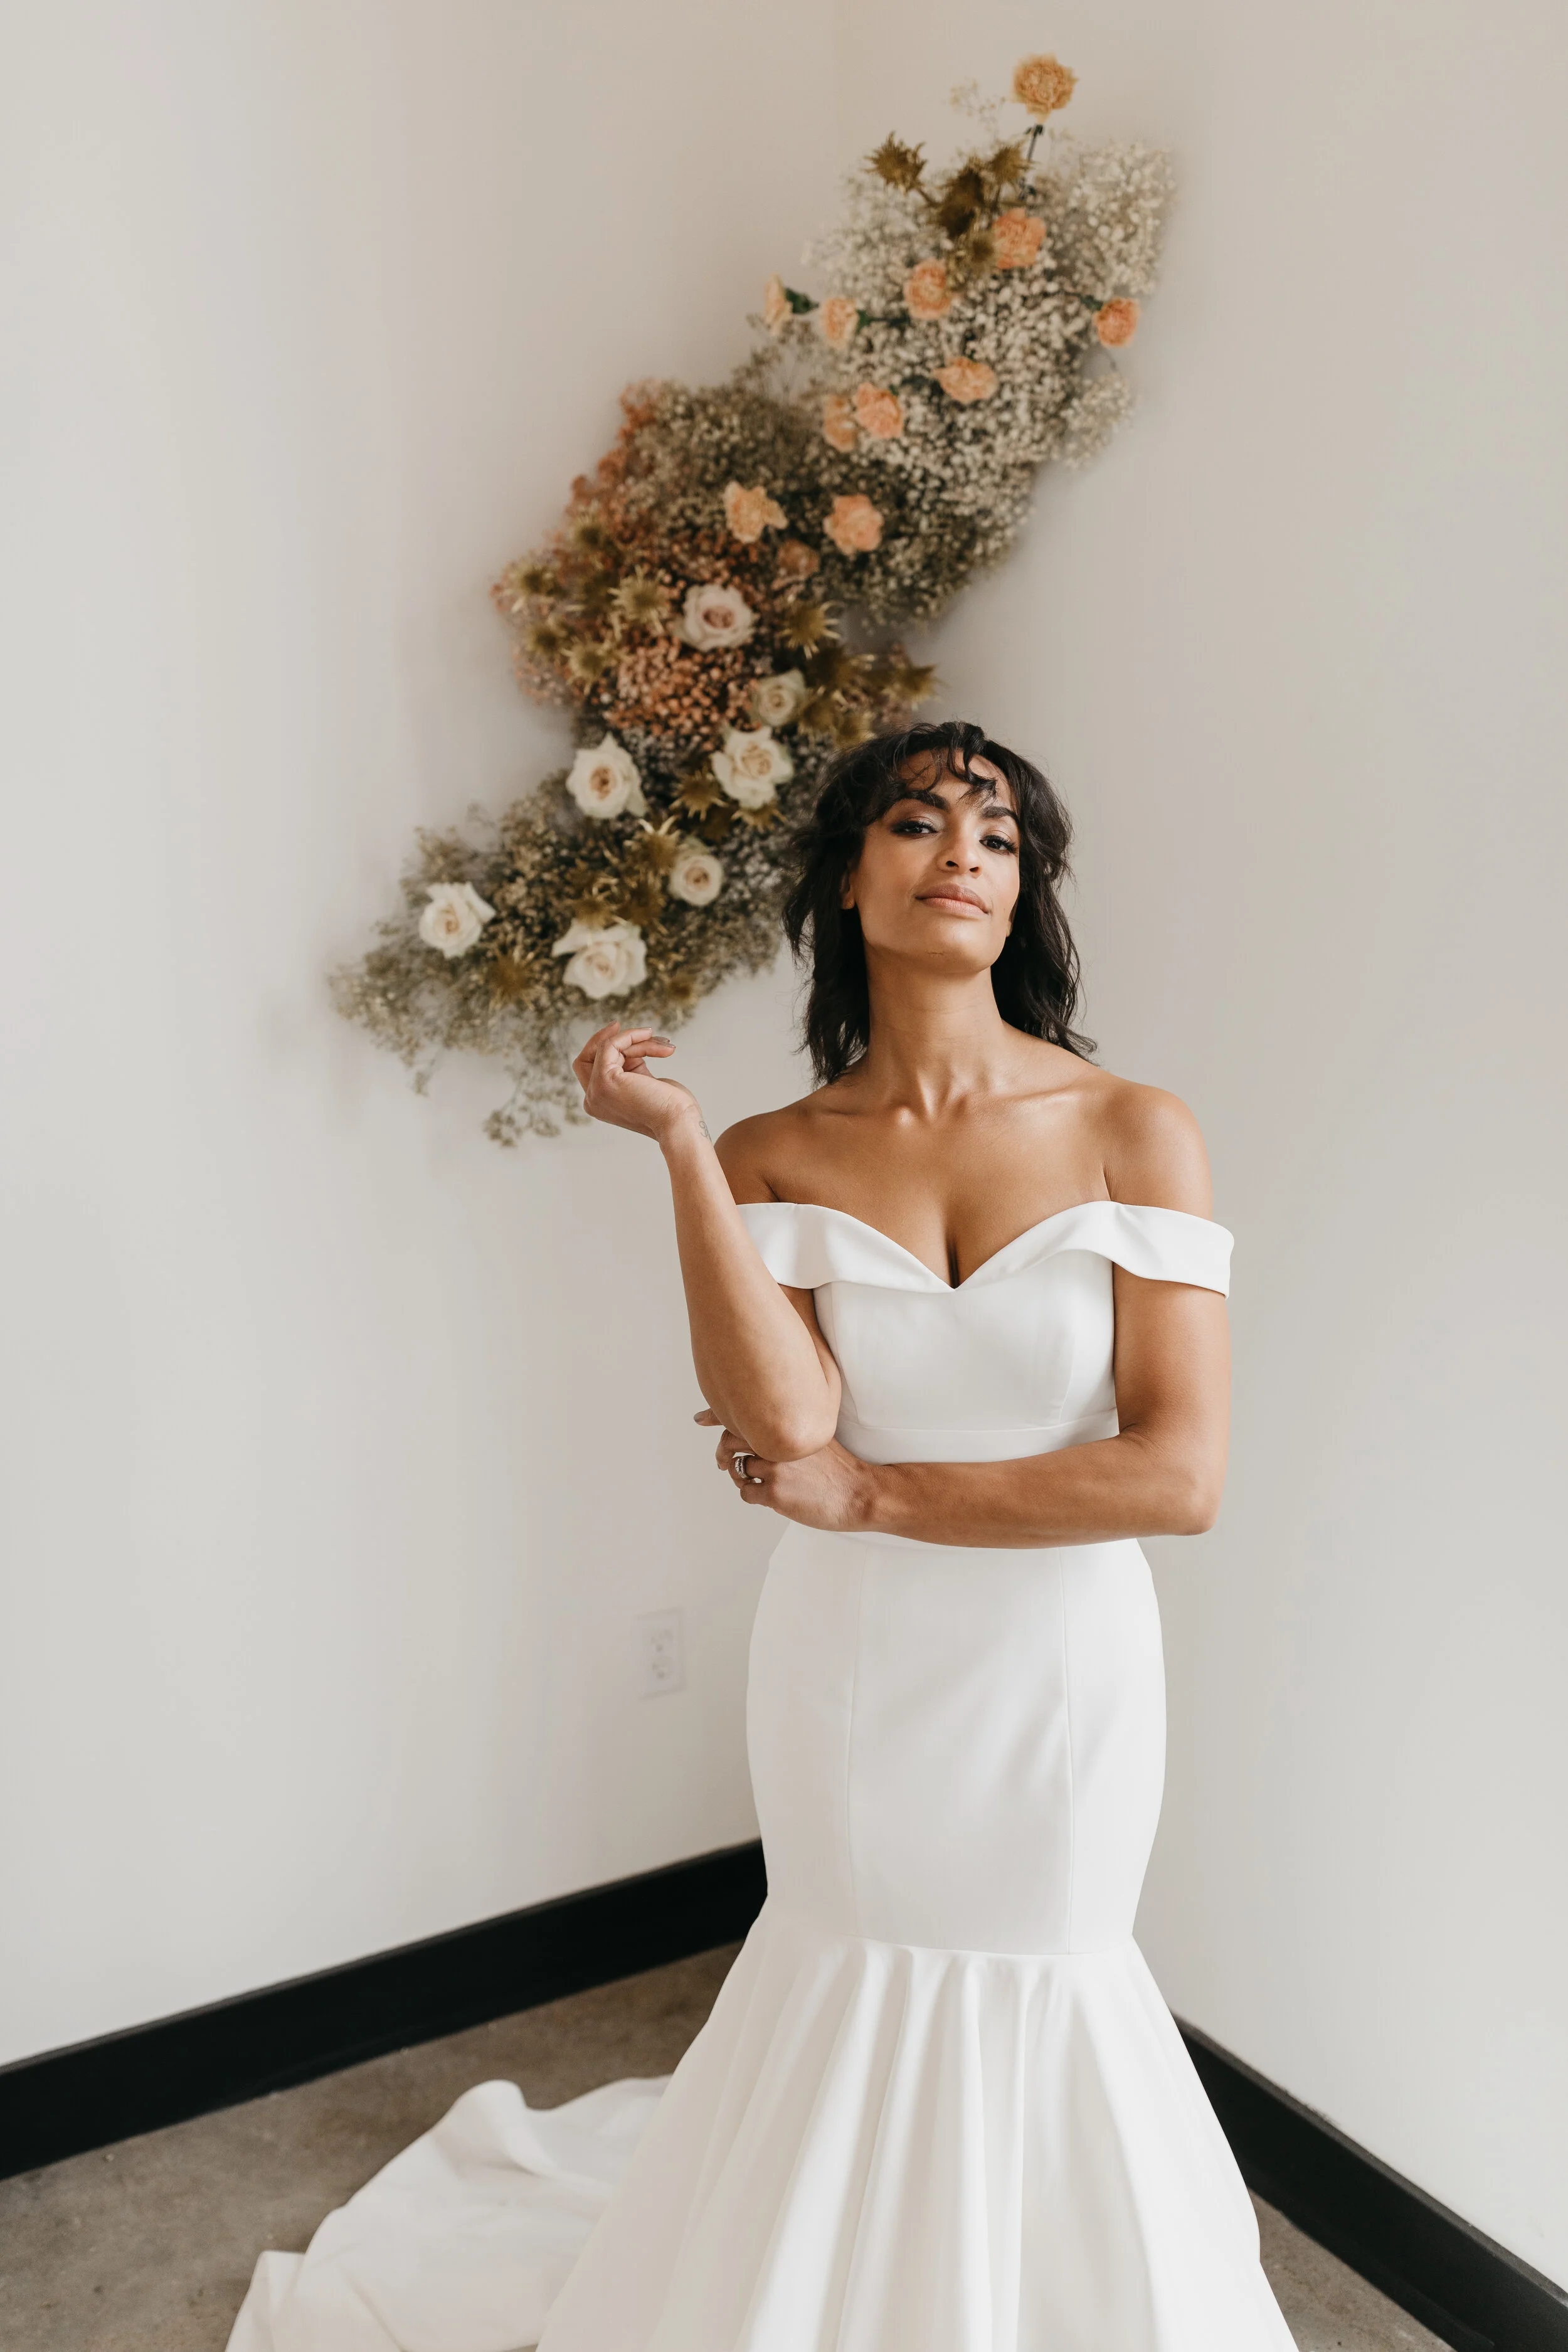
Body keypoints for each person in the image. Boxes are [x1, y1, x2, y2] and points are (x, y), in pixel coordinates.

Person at [228, 721, 1293, 2351]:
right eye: (918, 821)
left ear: (1024, 893)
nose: (962, 853)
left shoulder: (1134, 1127)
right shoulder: (771, 1154)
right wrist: (681, 1150)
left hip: (1060, 1672)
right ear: (846, 879)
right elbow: (791, 1425)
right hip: (853, 1666)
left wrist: (878, 1496)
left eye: (998, 836)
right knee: (846, 1958)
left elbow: (1178, 1474)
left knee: (1050, 1964)